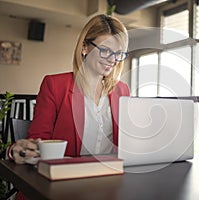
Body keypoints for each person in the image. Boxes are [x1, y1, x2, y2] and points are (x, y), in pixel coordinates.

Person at [7, 14, 130, 165]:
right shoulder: (55, 86)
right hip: (66, 176)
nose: (113, 60)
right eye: (105, 50)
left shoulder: (122, 91)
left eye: (118, 53)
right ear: (84, 47)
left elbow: (128, 143)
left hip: (112, 175)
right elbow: (37, 142)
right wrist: (18, 150)